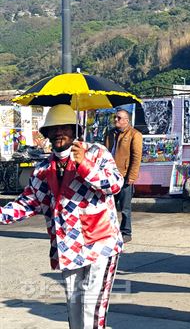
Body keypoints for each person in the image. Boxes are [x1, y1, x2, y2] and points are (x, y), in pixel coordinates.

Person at [0, 104, 124, 329]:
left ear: (75, 130)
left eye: (65, 127)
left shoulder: (96, 152)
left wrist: (84, 164)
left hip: (100, 244)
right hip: (68, 246)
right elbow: (27, 203)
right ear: (46, 134)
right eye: (54, 129)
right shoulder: (43, 169)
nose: (59, 133)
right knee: (75, 310)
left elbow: (115, 185)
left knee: (91, 309)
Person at [104, 108, 142, 243]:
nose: (116, 120)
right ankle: (110, 231)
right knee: (109, 206)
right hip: (110, 175)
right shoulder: (109, 133)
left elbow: (136, 157)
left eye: (119, 118)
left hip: (125, 175)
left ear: (127, 120)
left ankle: (126, 232)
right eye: (115, 117)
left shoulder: (134, 134)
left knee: (125, 208)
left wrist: (132, 177)